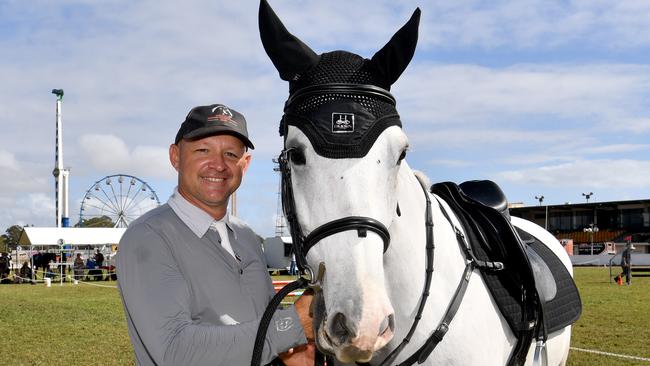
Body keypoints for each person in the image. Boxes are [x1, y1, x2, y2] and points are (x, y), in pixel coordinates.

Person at [117, 103, 314, 366]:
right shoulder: (148, 237)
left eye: (231, 155)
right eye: (203, 150)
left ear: (245, 164)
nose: (218, 165)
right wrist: (291, 326)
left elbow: (263, 318)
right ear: (175, 157)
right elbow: (175, 351)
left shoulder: (246, 236)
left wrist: (291, 351)